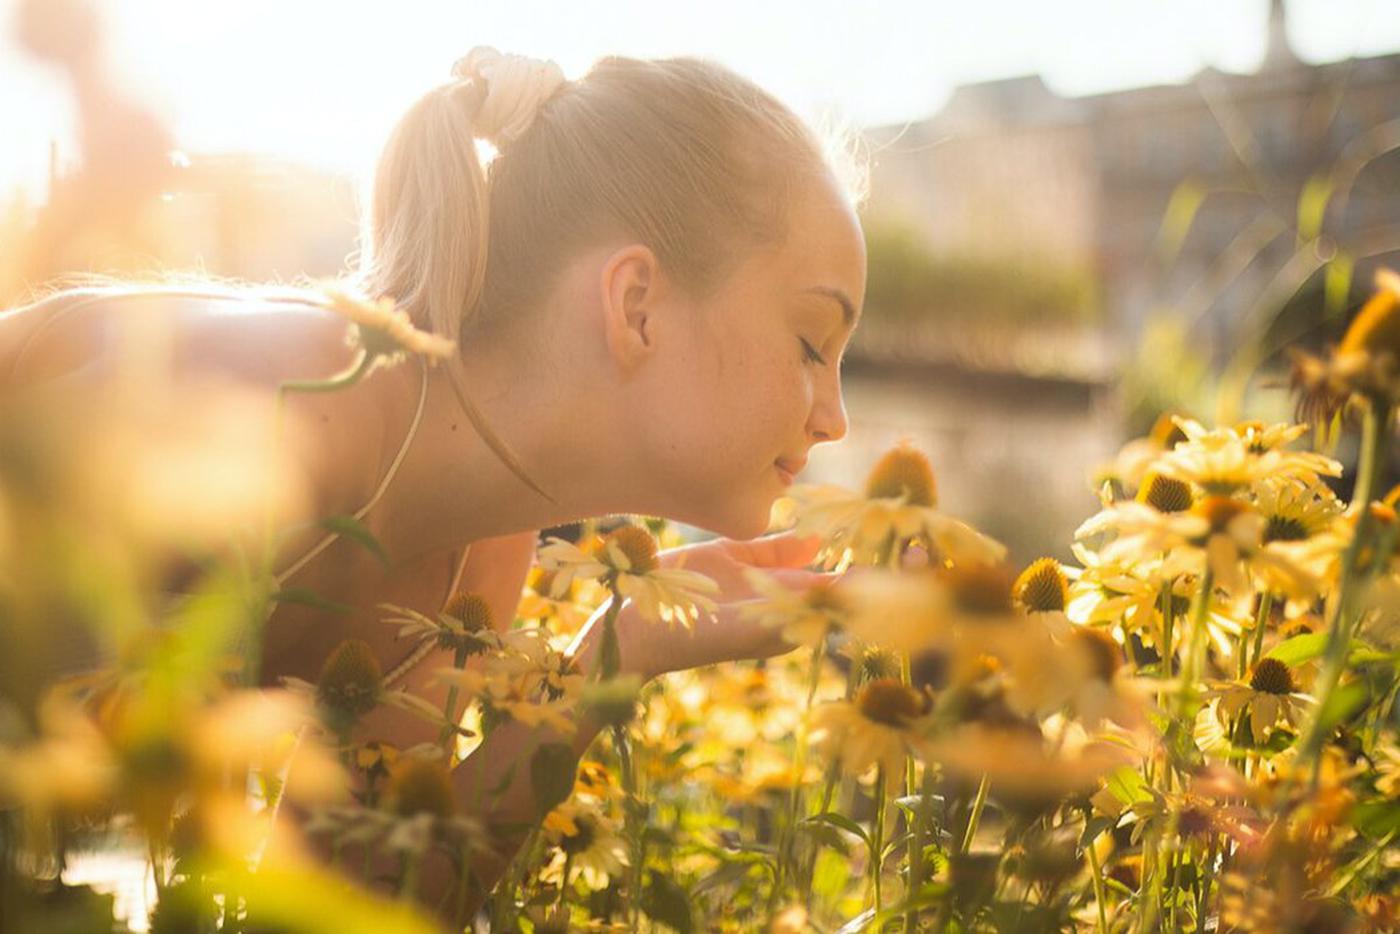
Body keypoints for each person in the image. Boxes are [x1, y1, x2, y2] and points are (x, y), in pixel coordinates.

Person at [0, 46, 867, 918]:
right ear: (636, 302)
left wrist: (617, 655)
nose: (834, 417)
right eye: (810, 343)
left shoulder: (478, 548)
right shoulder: (286, 415)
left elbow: (354, 904)